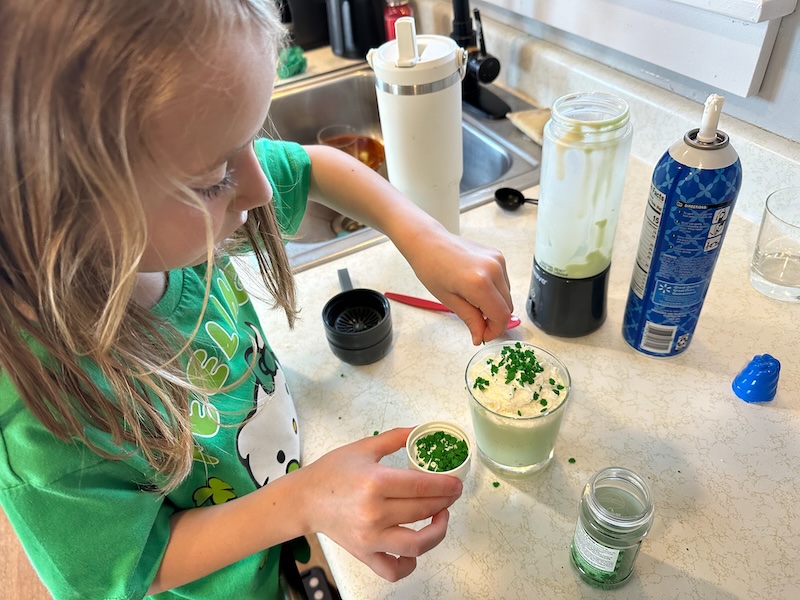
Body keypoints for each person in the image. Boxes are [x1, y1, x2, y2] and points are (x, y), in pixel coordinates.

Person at [0, 1, 514, 598]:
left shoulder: (170, 226)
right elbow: (137, 564)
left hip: (281, 511)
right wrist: (302, 502)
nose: (261, 188)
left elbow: (315, 167)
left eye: (249, 142)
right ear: (65, 208)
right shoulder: (41, 417)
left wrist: (422, 236)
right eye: (214, 177)